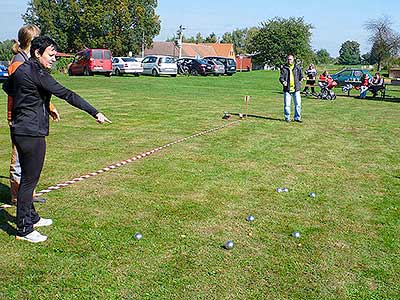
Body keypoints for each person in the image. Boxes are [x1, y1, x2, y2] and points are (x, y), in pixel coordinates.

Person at [5, 36, 111, 243]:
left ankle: (32, 217)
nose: (54, 58)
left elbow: (7, 88)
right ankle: (24, 229)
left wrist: (35, 101)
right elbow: (67, 94)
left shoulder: (22, 69)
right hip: (31, 132)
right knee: (29, 181)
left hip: (21, 129)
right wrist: (95, 112)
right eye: (50, 54)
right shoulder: (37, 73)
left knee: (28, 177)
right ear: (37, 53)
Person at [7, 24, 60, 205]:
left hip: (30, 118)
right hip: (20, 120)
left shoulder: (29, 62)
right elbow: (13, 92)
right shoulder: (19, 63)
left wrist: (49, 106)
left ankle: (27, 196)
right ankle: (17, 196)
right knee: (19, 162)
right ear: (31, 41)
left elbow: (38, 91)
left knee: (28, 165)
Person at [279, 54, 303, 122]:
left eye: (291, 59)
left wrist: (300, 81)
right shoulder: (284, 68)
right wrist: (283, 82)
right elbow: (281, 77)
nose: (289, 60)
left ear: (293, 60)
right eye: (288, 59)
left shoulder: (297, 67)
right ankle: (287, 118)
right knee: (287, 105)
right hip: (287, 89)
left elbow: (301, 76)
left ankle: (297, 118)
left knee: (298, 104)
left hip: (296, 89)